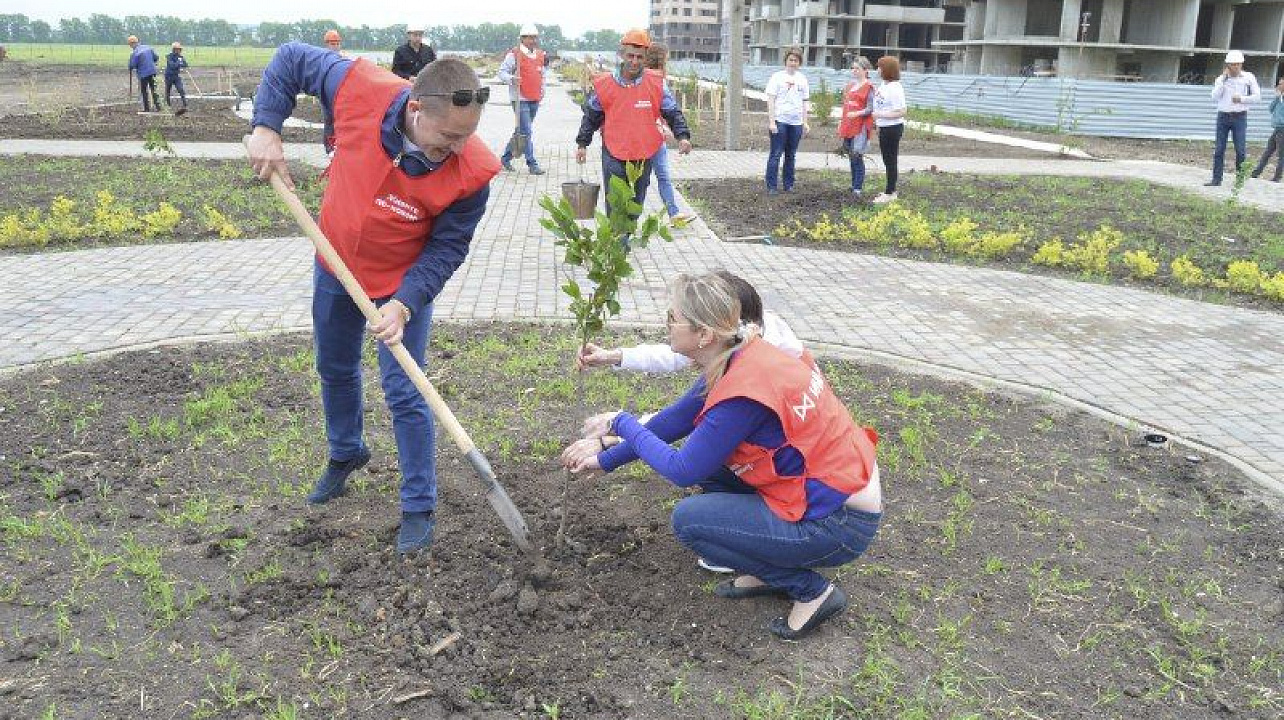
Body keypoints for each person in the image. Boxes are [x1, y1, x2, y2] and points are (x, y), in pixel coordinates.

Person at [247, 42, 499, 554]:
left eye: (465, 137)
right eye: (447, 136)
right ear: (414, 109)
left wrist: (405, 302)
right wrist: (267, 126)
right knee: (333, 366)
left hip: (401, 280)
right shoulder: (360, 88)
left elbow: (447, 248)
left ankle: (418, 505)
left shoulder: (472, 172)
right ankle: (346, 452)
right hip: (334, 259)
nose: (456, 149)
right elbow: (291, 59)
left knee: (407, 390)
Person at [561, 272, 882, 640]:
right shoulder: (737, 355)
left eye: (672, 318)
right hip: (827, 492)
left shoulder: (743, 389)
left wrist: (623, 423)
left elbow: (682, 469)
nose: (665, 325)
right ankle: (767, 565)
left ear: (704, 336)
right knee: (712, 473)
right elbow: (674, 421)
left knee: (690, 522)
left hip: (840, 524)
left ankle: (811, 592)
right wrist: (606, 460)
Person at [575, 270, 802, 374]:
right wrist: (612, 356)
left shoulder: (753, 373)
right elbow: (675, 354)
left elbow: (692, 443)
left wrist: (617, 431)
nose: (669, 325)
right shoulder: (745, 340)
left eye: (673, 318)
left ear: (710, 332)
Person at [575, 28, 692, 219]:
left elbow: (672, 112)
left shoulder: (656, 83)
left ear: (645, 57)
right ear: (622, 54)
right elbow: (591, 116)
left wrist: (683, 136)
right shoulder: (606, 84)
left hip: (644, 152)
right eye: (630, 55)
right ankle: (618, 244)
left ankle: (625, 238)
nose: (634, 61)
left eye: (639, 57)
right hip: (613, 151)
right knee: (615, 201)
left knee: (635, 204)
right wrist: (582, 144)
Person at [643, 42, 697, 225]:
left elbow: (667, 110)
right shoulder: (652, 80)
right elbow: (669, 110)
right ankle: (628, 218)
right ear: (661, 60)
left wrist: (675, 132)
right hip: (645, 138)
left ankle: (674, 213)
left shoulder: (652, 79)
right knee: (649, 179)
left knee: (662, 176)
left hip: (656, 136)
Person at [497, 24, 547, 175]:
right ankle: (532, 163)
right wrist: (512, 79)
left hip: (535, 97)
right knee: (526, 131)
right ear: (522, 38)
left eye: (534, 37)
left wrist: (542, 89)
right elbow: (502, 72)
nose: (533, 40)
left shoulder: (539, 55)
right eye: (530, 37)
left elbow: (542, 74)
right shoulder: (514, 54)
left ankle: (505, 158)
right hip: (520, 98)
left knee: (522, 131)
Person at [1206, 50, 1260, 187]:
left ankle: (1240, 180)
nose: (1236, 67)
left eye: (1238, 64)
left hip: (1240, 117)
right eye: (1233, 65)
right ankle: (1216, 179)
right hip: (1223, 117)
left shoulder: (1248, 78)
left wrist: (1241, 99)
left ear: (1241, 64)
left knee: (1240, 150)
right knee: (1219, 149)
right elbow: (1214, 97)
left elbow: (1257, 97)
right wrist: (1223, 82)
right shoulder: (1221, 79)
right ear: (1227, 65)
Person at [764, 48, 810, 194]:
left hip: (796, 123)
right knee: (776, 153)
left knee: (791, 154)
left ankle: (788, 185)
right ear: (786, 61)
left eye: (796, 60)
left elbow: (804, 102)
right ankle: (772, 186)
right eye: (790, 60)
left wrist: (805, 122)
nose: (793, 63)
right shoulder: (777, 77)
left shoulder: (802, 79)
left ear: (799, 63)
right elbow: (771, 100)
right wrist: (772, 122)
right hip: (780, 120)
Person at [871, 55, 907, 204]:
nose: (877, 70)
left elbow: (902, 111)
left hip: (893, 128)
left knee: (890, 160)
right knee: (887, 160)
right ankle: (890, 189)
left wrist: (881, 115)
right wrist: (878, 123)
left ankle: (890, 192)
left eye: (880, 67)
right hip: (884, 127)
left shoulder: (895, 88)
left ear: (887, 70)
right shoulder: (884, 85)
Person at [838, 56, 875, 198]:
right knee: (850, 156)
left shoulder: (869, 87)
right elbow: (845, 107)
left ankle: (858, 188)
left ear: (865, 70)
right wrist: (841, 122)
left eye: (857, 68)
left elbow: (870, 108)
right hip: (849, 125)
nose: (854, 71)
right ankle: (854, 185)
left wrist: (857, 113)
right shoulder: (850, 87)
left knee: (857, 156)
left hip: (860, 127)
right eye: (852, 68)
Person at [1251, 76, 1283, 182]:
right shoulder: (1279, 98)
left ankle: (1277, 178)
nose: (1279, 86)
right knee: (1267, 153)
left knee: (1281, 155)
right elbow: (1270, 109)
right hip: (1276, 130)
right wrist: (1277, 98)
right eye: (1279, 83)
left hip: (1282, 130)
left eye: (1281, 84)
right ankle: (1255, 174)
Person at [127, 36, 162, 112]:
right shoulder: (148, 47)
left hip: (143, 74)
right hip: (153, 72)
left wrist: (130, 66)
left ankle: (146, 109)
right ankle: (159, 107)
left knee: (144, 91)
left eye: (130, 45)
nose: (131, 47)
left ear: (132, 44)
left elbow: (132, 65)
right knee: (154, 90)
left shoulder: (135, 53)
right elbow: (156, 57)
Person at [163, 42, 189, 115]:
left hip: (176, 76)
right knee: (168, 90)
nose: (178, 51)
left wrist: (180, 63)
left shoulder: (180, 57)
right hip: (169, 76)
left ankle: (185, 104)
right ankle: (168, 105)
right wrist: (179, 63)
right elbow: (172, 66)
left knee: (180, 89)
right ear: (174, 49)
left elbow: (186, 64)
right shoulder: (169, 56)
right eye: (177, 49)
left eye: (179, 49)